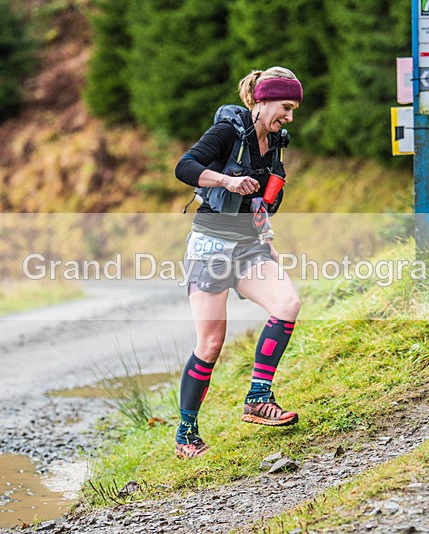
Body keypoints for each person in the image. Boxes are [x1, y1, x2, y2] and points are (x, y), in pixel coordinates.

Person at [173, 67, 303, 459]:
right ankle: (186, 435)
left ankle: (258, 398)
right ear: (263, 100)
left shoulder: (275, 144)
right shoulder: (228, 132)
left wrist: (267, 239)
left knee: (287, 303)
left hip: (250, 246)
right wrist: (226, 181)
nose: (289, 116)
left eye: (294, 109)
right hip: (209, 248)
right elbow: (185, 166)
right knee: (211, 344)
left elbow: (261, 201)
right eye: (285, 107)